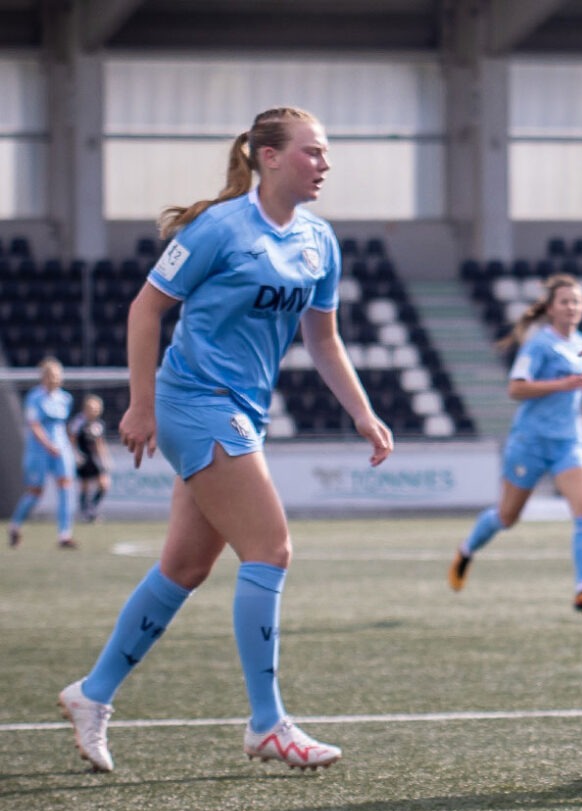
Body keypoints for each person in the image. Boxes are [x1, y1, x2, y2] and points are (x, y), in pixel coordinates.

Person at [56, 107, 393, 773]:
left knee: (185, 567)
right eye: (312, 152)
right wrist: (142, 405)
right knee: (271, 548)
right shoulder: (220, 227)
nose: (324, 164)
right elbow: (145, 308)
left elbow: (323, 340)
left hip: (241, 411)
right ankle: (267, 722)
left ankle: (91, 695)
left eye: (326, 154)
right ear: (268, 157)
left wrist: (362, 411)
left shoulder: (320, 241)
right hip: (195, 403)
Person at [448, 273, 582, 611]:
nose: (572, 307)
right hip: (530, 442)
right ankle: (466, 550)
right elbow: (516, 388)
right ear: (551, 308)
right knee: (507, 517)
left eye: (577, 301)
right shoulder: (539, 343)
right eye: (565, 301)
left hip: (569, 442)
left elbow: (575, 382)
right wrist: (564, 385)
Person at [7, 357, 76, 549]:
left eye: (57, 376)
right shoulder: (34, 397)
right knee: (35, 492)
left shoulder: (65, 398)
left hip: (61, 448)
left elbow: (63, 425)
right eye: (51, 375)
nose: (54, 379)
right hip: (39, 450)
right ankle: (15, 525)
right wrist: (48, 444)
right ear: (43, 377)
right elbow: (34, 424)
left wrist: (67, 447)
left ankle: (64, 534)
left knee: (65, 488)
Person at [71, 394, 112, 524]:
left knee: (104, 484)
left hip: (95, 458)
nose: (94, 411)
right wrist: (76, 454)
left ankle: (91, 509)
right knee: (84, 486)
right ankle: (85, 513)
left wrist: (105, 459)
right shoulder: (78, 421)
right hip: (83, 457)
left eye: (96, 409)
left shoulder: (98, 424)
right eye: (91, 408)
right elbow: (71, 438)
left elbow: (100, 442)